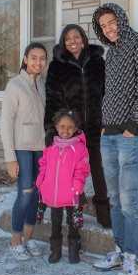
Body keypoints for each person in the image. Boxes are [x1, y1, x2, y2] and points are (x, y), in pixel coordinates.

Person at [91, 3, 138, 275]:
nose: (109, 28)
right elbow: (109, 93)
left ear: (121, 19)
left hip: (129, 135)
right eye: (103, 26)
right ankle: (120, 250)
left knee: (129, 199)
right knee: (115, 198)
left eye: (112, 22)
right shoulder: (112, 52)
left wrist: (133, 125)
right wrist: (105, 125)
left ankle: (135, 257)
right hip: (109, 134)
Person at [44, 24, 111, 228]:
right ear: (63, 43)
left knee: (98, 171)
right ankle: (75, 212)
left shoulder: (98, 61)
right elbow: (53, 98)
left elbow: (107, 94)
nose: (72, 41)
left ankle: (104, 214)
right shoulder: (57, 65)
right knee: (72, 173)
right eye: (67, 38)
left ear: (83, 38)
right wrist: (51, 128)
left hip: (95, 127)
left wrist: (106, 122)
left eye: (76, 36)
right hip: (71, 133)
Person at [0, 42, 47, 261]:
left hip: (41, 149)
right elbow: (6, 123)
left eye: (42, 58)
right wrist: (10, 158)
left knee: (36, 195)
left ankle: (29, 239)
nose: (38, 62)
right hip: (22, 149)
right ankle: (15, 241)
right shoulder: (15, 85)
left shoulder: (43, 85)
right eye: (34, 57)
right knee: (25, 193)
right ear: (26, 59)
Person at [36, 109, 91, 264]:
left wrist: (78, 184)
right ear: (56, 126)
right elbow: (44, 164)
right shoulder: (51, 146)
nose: (65, 131)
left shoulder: (79, 148)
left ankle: (74, 251)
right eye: (61, 127)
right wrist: (41, 178)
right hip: (54, 194)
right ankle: (56, 251)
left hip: (72, 194)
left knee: (73, 223)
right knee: (55, 222)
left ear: (75, 129)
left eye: (69, 127)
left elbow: (82, 169)